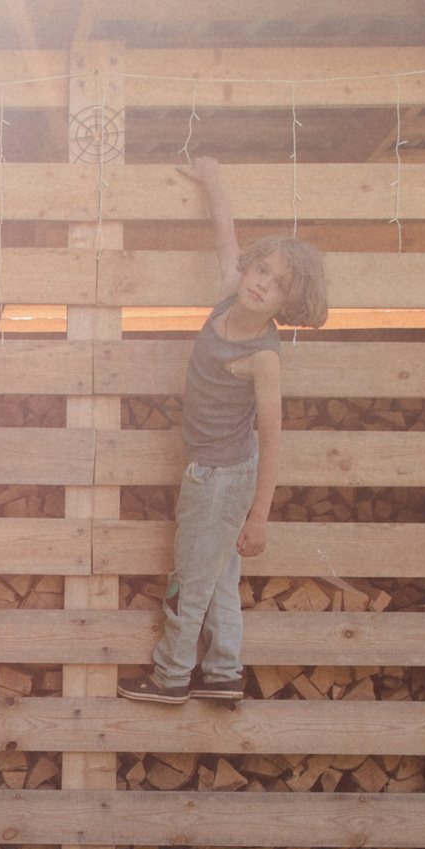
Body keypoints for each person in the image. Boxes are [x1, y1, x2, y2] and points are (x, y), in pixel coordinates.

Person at [118, 153, 329, 708]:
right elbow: (224, 234)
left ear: (290, 301)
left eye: (278, 285)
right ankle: (224, 671)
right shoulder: (226, 297)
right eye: (261, 270)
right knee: (219, 575)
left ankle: (170, 677)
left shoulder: (264, 357)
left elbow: (273, 439)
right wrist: (212, 179)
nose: (262, 284)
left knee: (189, 578)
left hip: (223, 479)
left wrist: (259, 514)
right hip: (211, 471)